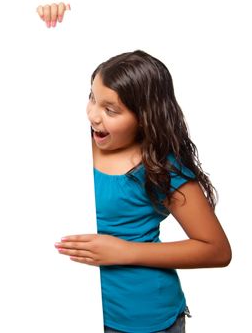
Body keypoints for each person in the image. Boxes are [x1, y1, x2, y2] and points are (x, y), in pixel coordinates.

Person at [52, 50, 232, 332]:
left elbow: (217, 251)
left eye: (110, 110)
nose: (93, 116)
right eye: (92, 98)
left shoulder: (161, 168)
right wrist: (46, 19)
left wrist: (124, 251)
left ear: (145, 117)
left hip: (142, 319)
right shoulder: (67, 141)